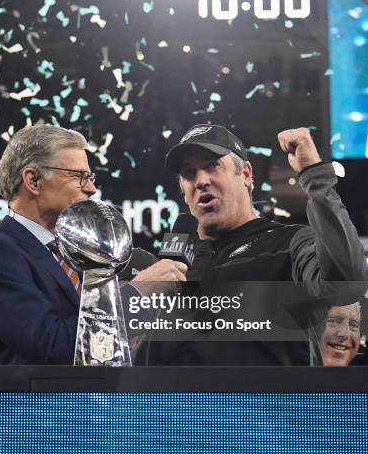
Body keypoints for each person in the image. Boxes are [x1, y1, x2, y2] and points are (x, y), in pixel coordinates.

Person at [138, 124, 368, 365]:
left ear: (245, 175)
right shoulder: (172, 266)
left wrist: (315, 177)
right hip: (171, 402)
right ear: (183, 191)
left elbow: (346, 284)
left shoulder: (289, 243)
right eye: (189, 173)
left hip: (267, 402)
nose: (201, 180)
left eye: (212, 166)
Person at [0, 125, 187, 364]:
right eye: (79, 176)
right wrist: (136, 295)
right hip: (30, 401)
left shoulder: (78, 250)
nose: (91, 188)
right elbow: (55, 346)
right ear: (33, 180)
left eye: (89, 177)